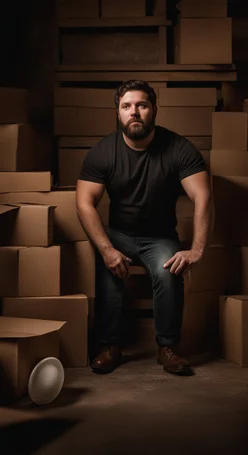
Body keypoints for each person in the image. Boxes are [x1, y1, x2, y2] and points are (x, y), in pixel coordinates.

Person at [76, 80, 212, 376]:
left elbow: (203, 196)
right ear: (118, 112)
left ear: (154, 110)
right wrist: (107, 248)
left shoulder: (179, 148)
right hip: (118, 235)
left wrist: (197, 249)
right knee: (106, 266)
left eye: (142, 105)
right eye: (127, 106)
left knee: (169, 270)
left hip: (159, 236)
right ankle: (109, 346)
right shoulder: (102, 151)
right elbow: (85, 202)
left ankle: (168, 347)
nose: (134, 112)